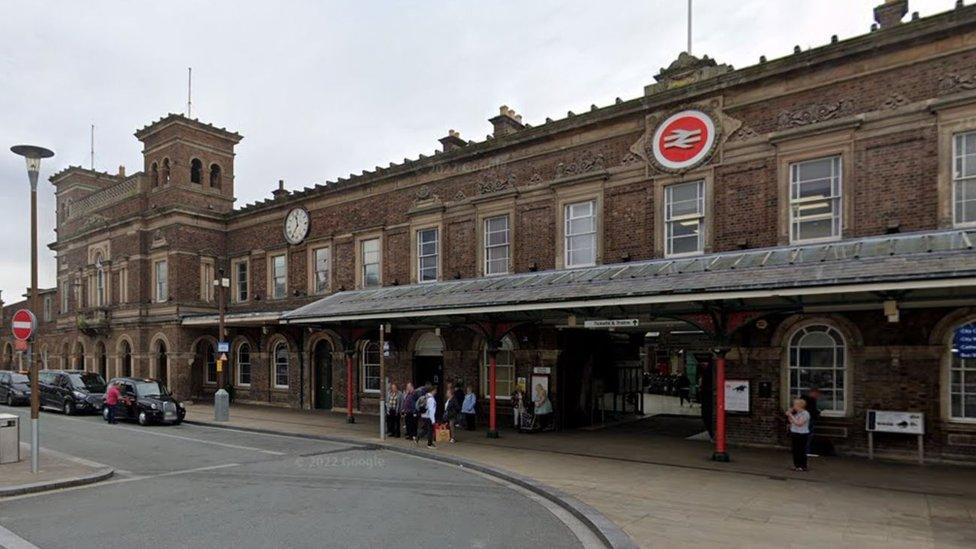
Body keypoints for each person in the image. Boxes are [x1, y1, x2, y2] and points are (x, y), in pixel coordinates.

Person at [786, 398, 811, 471]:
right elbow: (791, 421)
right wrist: (789, 415)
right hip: (794, 432)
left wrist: (790, 415)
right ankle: (796, 465)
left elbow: (799, 423)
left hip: (802, 433)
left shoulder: (805, 413)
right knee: (795, 450)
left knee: (801, 450)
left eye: (794, 405)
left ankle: (803, 466)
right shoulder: (796, 413)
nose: (793, 406)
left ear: (799, 405)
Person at [801, 387, 822, 457]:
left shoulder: (803, 399)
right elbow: (812, 411)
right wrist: (817, 413)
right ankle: (806, 451)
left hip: (803, 419)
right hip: (809, 420)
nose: (818, 396)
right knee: (808, 435)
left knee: (805, 435)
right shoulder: (811, 400)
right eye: (817, 394)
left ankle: (803, 450)